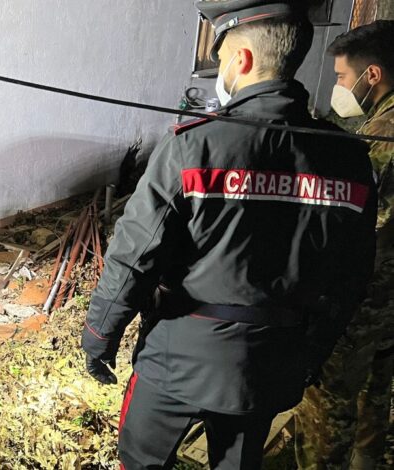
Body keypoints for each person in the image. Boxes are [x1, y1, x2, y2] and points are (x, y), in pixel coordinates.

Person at [81, 1, 378, 468]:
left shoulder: (192, 146)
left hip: (178, 357)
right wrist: (309, 355)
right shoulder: (349, 159)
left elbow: (134, 256)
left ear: (241, 59)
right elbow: (351, 278)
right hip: (270, 364)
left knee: (141, 460)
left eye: (220, 59)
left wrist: (100, 336)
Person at [294, 20, 394, 470]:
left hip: (370, 289)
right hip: (387, 296)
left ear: (372, 75)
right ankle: (366, 459)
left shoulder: (384, 134)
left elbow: (362, 217)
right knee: (377, 381)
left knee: (329, 395)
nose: (338, 87)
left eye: (341, 77)